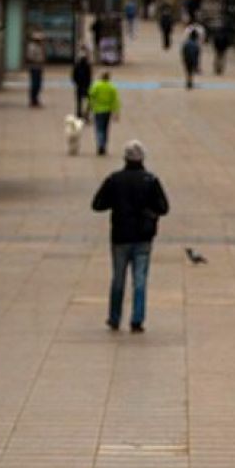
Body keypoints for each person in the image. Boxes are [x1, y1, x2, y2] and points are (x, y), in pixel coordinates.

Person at [91, 140, 170, 333]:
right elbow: (164, 207)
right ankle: (137, 318)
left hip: (120, 236)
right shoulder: (150, 180)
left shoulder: (114, 179)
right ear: (142, 157)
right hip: (143, 237)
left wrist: (116, 203)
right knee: (140, 279)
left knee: (118, 278)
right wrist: (149, 211)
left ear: (125, 158)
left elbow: (97, 204)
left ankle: (114, 317)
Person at [88, 72, 121, 155]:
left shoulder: (96, 86)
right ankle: (104, 145)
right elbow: (115, 100)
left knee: (99, 128)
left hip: (98, 110)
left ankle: (100, 144)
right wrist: (116, 112)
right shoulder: (111, 87)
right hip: (107, 111)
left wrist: (89, 107)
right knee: (105, 129)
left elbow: (91, 96)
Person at [25, 29, 46, 107]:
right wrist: (37, 61)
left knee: (38, 84)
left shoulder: (40, 47)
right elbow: (30, 57)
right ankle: (33, 100)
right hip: (34, 67)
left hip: (39, 67)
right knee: (34, 84)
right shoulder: (32, 46)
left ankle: (36, 99)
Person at [72, 49, 94, 117]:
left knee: (79, 101)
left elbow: (73, 76)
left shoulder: (77, 65)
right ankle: (85, 113)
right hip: (86, 86)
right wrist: (89, 84)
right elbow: (89, 76)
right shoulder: (87, 66)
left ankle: (79, 113)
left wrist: (76, 83)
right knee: (89, 101)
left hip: (79, 86)